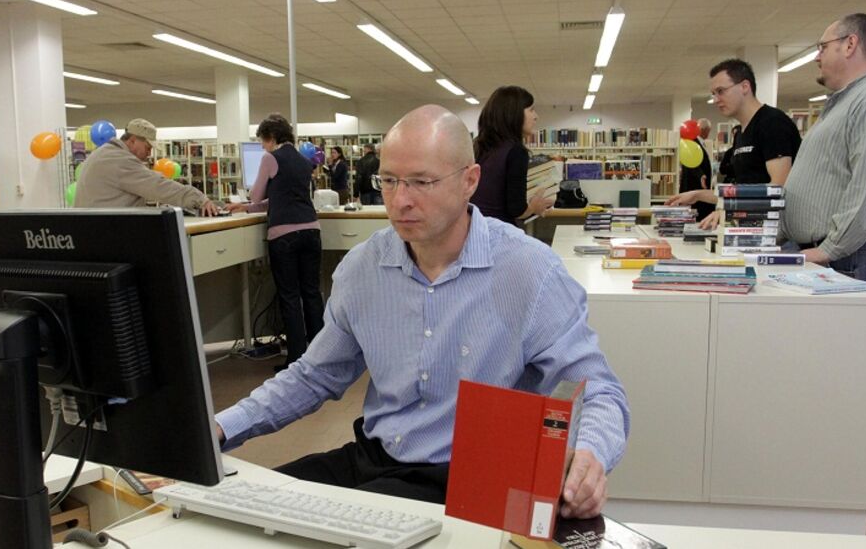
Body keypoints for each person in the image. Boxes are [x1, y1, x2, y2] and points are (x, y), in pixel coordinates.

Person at [215, 105, 630, 518]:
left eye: (421, 182)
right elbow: (315, 375)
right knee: (248, 509)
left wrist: (589, 456)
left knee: (314, 525)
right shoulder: (363, 269)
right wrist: (221, 427)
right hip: (374, 459)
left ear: (469, 181)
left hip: (474, 478)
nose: (400, 200)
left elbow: (599, 392)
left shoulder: (529, 271)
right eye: (390, 181)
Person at [781, 13, 866, 286]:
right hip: (827, 253)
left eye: (823, 47)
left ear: (850, 44)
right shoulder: (845, 101)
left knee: (845, 330)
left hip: (849, 256)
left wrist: (829, 249)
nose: (818, 57)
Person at [231, 114, 324, 369]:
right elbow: (285, 196)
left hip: (283, 235)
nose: (262, 146)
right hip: (311, 231)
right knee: (312, 293)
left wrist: (249, 202)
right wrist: (249, 209)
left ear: (271, 138)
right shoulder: (304, 161)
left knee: (290, 296)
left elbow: (257, 193)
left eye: (263, 141)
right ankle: (320, 356)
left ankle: (296, 358)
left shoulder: (270, 158)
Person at [666, 59, 801, 229]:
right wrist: (697, 194)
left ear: (745, 86)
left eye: (721, 91)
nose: (715, 99)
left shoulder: (772, 123)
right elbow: (741, 193)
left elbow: (778, 188)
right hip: (749, 231)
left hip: (776, 234)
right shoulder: (741, 133)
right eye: (713, 93)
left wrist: (730, 211)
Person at [74, 118, 221, 216]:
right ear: (132, 141)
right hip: (109, 237)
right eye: (147, 147)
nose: (148, 154)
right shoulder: (120, 160)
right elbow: (158, 186)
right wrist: (200, 199)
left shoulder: (102, 153)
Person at [471, 86, 555, 225]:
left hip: (474, 228)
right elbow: (516, 209)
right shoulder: (516, 151)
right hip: (499, 233)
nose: (536, 116)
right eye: (531, 110)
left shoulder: (479, 146)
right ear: (514, 114)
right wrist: (535, 207)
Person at [679, 118, 714, 220]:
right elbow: (692, 163)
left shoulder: (697, 142)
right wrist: (701, 175)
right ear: (705, 130)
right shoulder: (692, 142)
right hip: (694, 186)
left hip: (697, 187)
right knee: (696, 215)